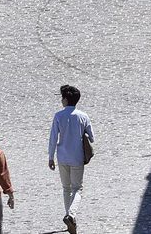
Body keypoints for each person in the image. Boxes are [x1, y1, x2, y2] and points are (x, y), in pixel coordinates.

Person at [47, 84, 96, 234]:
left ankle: (69, 217)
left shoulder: (58, 116)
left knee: (66, 188)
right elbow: (92, 138)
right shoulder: (83, 116)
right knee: (77, 188)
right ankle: (71, 215)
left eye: (62, 97)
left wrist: (50, 157)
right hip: (77, 158)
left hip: (62, 157)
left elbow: (53, 138)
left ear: (66, 99)